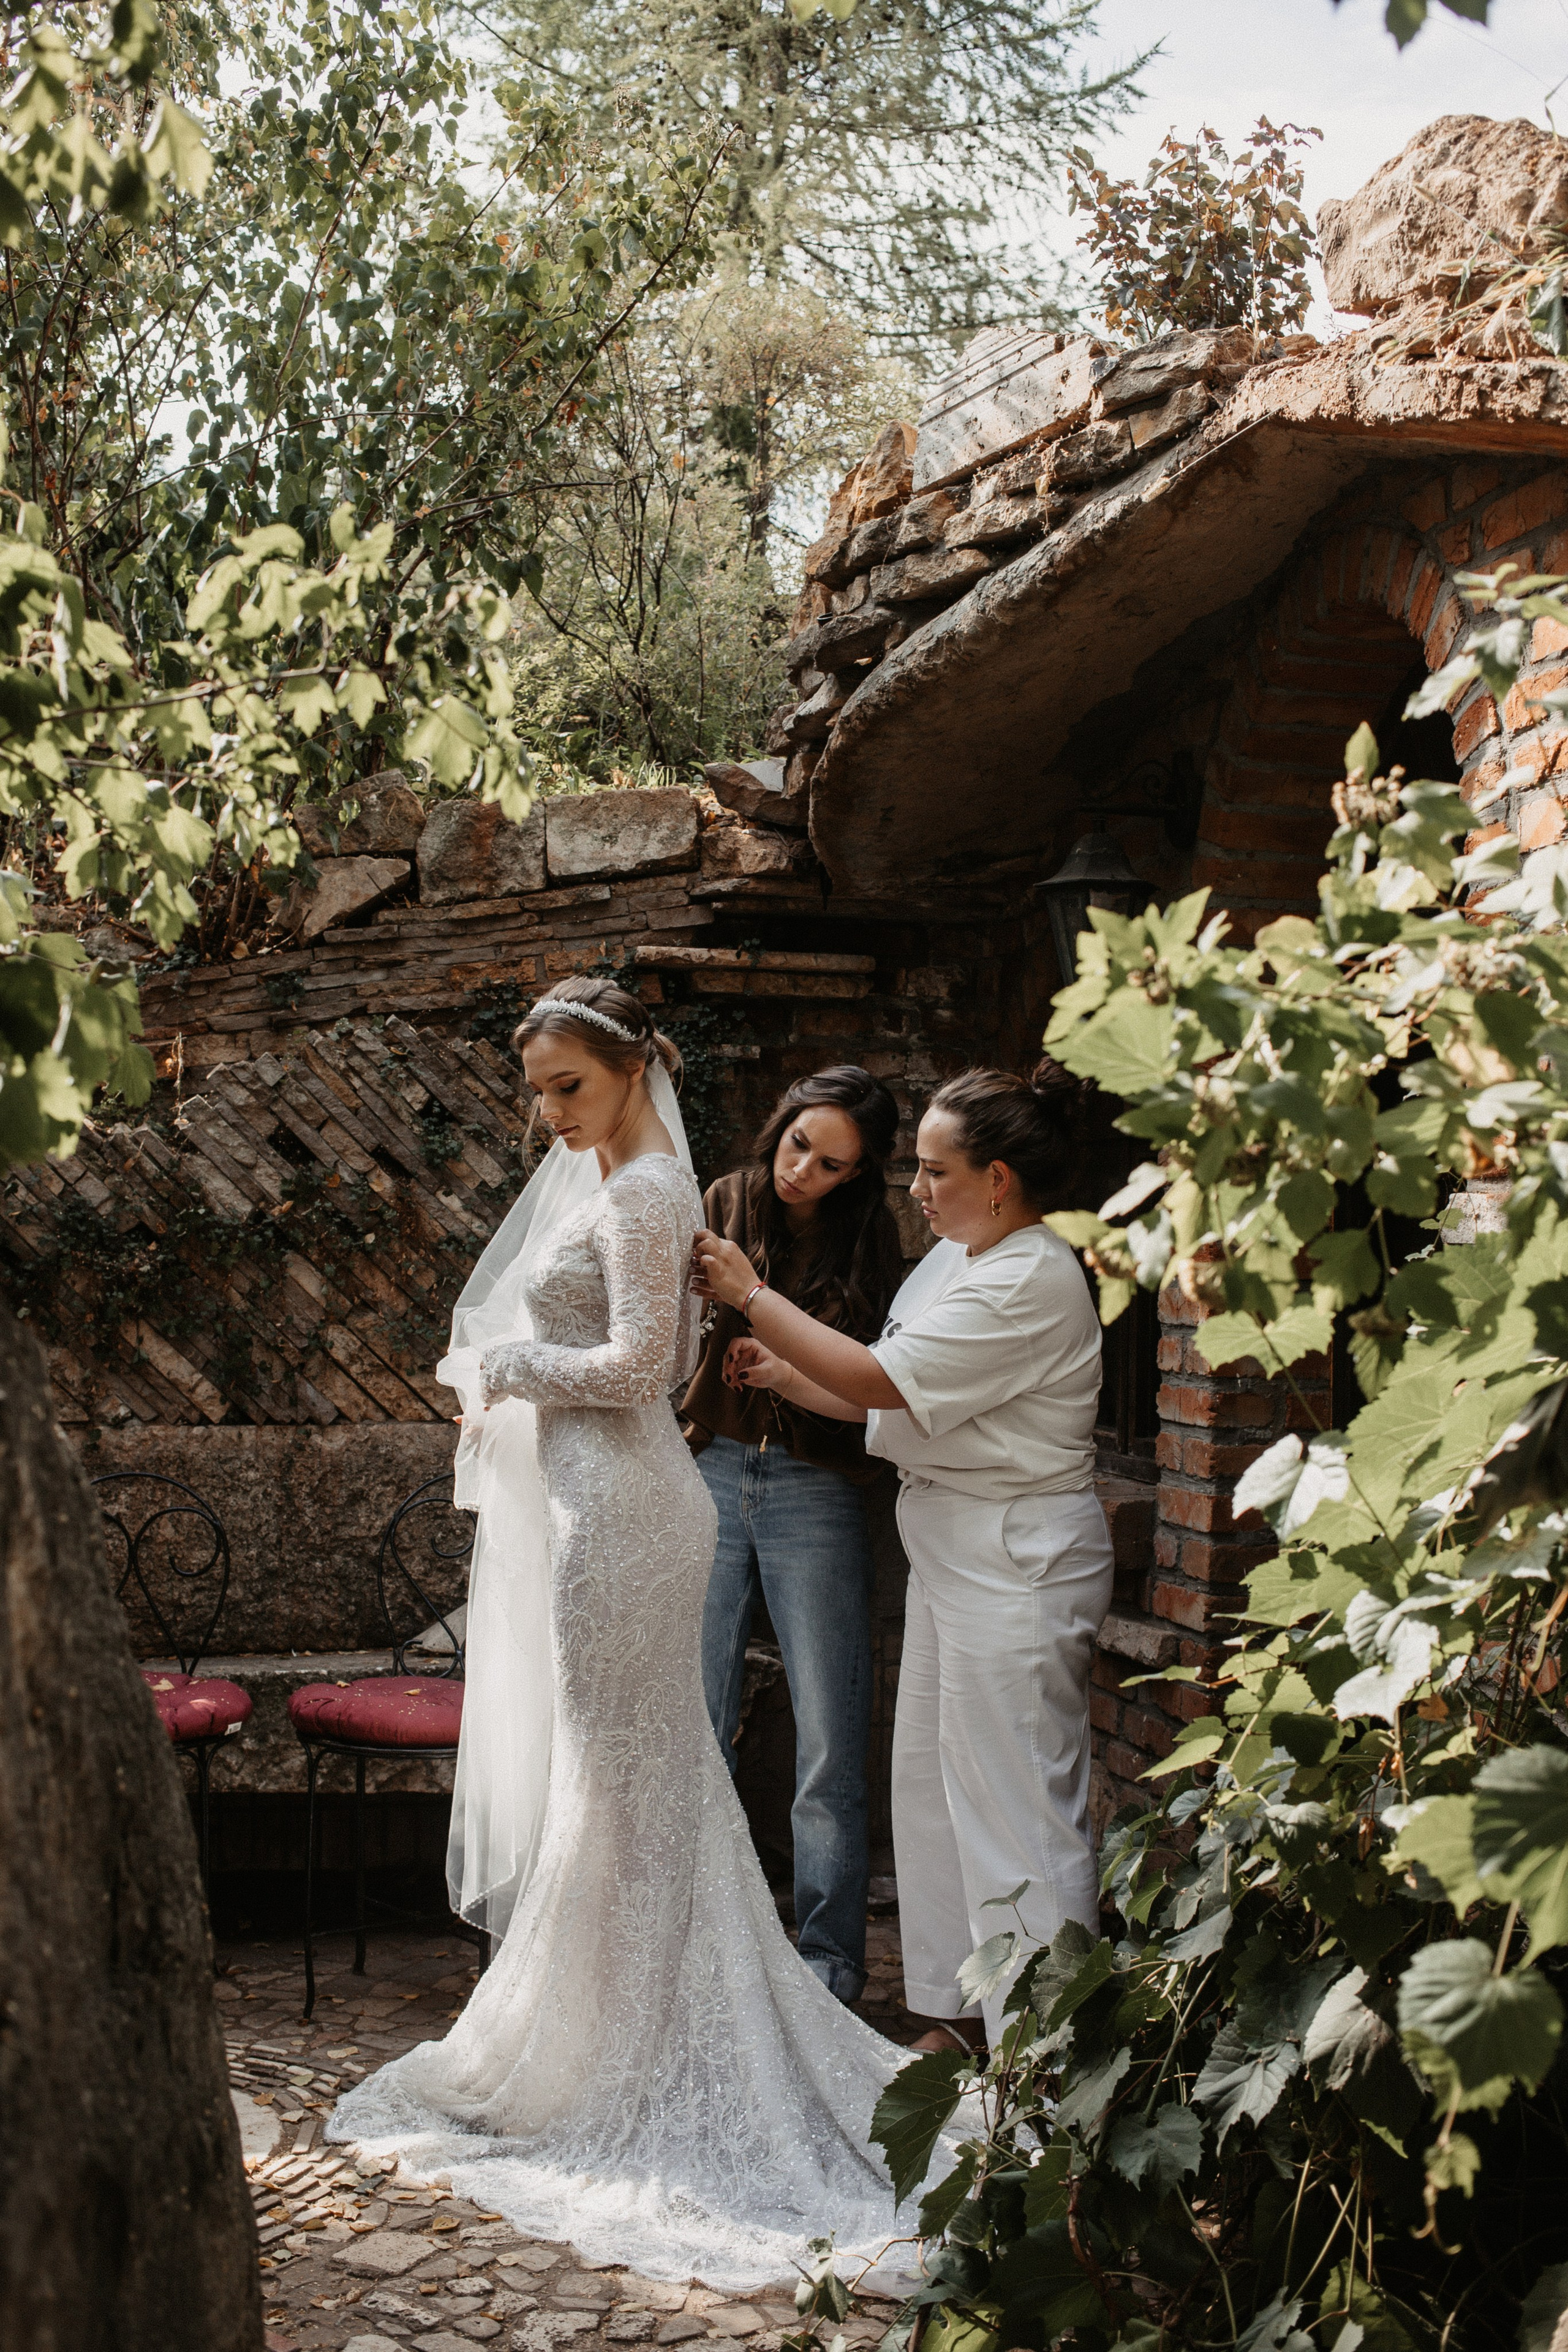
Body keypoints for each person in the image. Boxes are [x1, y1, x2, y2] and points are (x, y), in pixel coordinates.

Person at [329, 976, 919, 2289]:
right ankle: (611, 2033)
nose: (547, 1115)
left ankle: (640, 2048)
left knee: (631, 1774)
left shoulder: (652, 1197)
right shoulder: (615, 1185)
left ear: (633, 1071)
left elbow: (642, 1371)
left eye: (567, 1089)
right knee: (631, 1776)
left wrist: (502, 1370)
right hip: (603, 1505)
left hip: (632, 1516)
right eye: (535, 1091)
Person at [694, 1061, 1110, 2054]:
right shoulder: (960, 1253)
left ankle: (1047, 2050)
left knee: (1016, 1812)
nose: (914, 1189)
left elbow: (881, 1371)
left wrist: (752, 1295)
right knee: (929, 1795)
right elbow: (889, 1393)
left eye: (933, 1170)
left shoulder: (1031, 1276)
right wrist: (793, 1376)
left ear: (997, 1178)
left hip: (1016, 1563)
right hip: (948, 1552)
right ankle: (959, 2018)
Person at [684, 1068, 904, 2005]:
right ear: (779, 1122)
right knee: (695, 1719)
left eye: (831, 1163)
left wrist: (780, 1353)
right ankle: (696, 1941)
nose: (803, 1169)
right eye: (798, 1143)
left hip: (818, 1486)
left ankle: (829, 1962)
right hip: (712, 1471)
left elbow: (872, 1387)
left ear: (860, 1176)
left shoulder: (874, 1239)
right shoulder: (725, 1199)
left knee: (829, 1734)